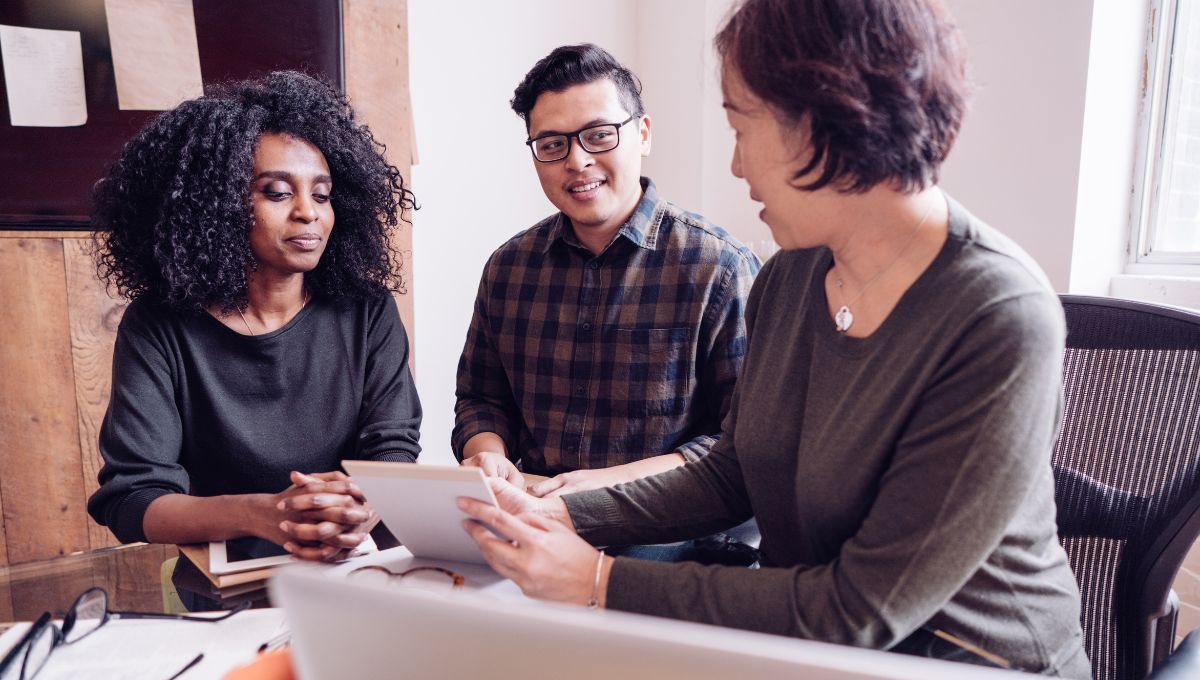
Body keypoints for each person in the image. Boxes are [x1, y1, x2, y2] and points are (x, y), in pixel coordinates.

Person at [457, 1, 1090, 676]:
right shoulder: (792, 275)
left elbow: (859, 612)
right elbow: (736, 472)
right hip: (810, 652)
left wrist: (599, 581)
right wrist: (558, 511)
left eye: (739, 125)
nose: (734, 165)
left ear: (823, 120)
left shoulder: (997, 314)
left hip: (968, 662)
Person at [87, 71, 421, 562]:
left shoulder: (366, 310)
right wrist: (262, 513)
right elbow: (134, 498)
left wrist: (363, 500)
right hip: (231, 581)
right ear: (216, 206)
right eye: (277, 192)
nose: (308, 213)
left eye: (322, 195)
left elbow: (392, 449)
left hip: (362, 565)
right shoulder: (159, 326)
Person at [453, 44, 760, 560]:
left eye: (598, 135)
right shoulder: (508, 268)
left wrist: (596, 490)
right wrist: (489, 457)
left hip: (667, 536)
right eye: (552, 144)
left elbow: (741, 445)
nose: (577, 161)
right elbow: (481, 399)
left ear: (641, 134)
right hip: (529, 527)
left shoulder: (719, 268)